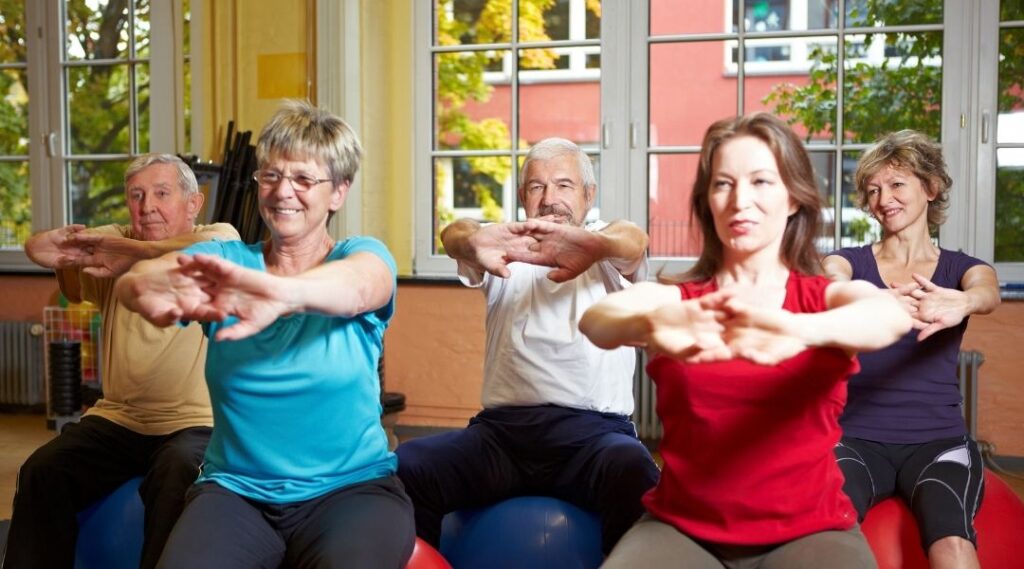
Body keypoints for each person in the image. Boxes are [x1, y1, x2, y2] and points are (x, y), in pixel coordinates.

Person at [579, 113, 912, 568]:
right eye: (723, 184)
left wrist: (798, 331)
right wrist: (655, 326)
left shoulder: (822, 298)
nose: (741, 200)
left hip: (812, 531)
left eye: (760, 181)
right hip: (682, 528)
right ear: (708, 201)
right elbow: (598, 319)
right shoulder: (681, 300)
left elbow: (888, 314)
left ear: (793, 197)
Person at [114, 100, 414, 568]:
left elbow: (359, 287)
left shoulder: (360, 256)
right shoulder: (230, 261)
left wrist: (276, 292)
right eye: (270, 176)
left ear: (338, 192)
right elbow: (139, 279)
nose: (282, 192)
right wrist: (146, 287)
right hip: (236, 492)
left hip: (351, 490)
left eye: (303, 179)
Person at [396, 137, 660, 554]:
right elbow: (456, 234)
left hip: (592, 439)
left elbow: (634, 239)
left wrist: (596, 246)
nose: (550, 198)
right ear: (522, 197)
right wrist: (474, 240)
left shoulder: (604, 250)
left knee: (634, 470)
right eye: (537, 187)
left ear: (589, 195)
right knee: (410, 467)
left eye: (563, 185)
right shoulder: (505, 248)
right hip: (503, 438)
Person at [5, 154, 239, 569]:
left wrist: (131, 252)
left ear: (193, 203)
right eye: (137, 195)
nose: (147, 205)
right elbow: (43, 253)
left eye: (161, 193)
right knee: (42, 470)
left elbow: (213, 248)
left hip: (192, 423)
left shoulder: (217, 236)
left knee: (177, 475)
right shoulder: (113, 239)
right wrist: (67, 250)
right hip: (117, 421)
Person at [824, 130, 1000, 569]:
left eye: (897, 184)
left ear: (930, 188)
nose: (884, 199)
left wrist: (962, 301)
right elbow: (828, 279)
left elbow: (986, 290)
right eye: (873, 189)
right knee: (824, 536)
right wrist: (873, 300)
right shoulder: (851, 261)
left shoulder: (962, 269)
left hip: (937, 442)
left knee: (952, 543)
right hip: (855, 439)